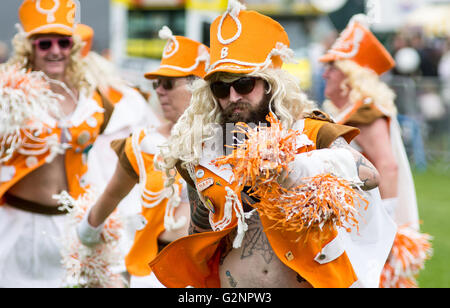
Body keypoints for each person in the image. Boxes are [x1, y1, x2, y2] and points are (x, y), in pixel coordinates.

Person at [148, 0, 396, 288]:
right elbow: (200, 229)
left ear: (269, 84)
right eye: (220, 87)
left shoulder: (309, 132)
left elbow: (369, 174)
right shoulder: (201, 152)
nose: (232, 97)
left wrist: (295, 168)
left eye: (243, 84)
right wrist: (207, 208)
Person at [76, 27, 210, 288]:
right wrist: (86, 236)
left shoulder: (228, 143)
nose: (159, 91)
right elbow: (110, 196)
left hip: (209, 275)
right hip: (152, 275)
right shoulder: (143, 143)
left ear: (199, 87)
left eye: (168, 84)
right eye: (156, 84)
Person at [0, 0, 116, 287]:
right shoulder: (8, 97)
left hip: (68, 225)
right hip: (16, 222)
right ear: (30, 48)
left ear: (73, 48)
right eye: (44, 44)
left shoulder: (93, 99)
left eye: (63, 43)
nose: (55, 51)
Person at [320, 15, 432, 287]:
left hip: (366, 224)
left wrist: (384, 226)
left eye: (332, 67)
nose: (325, 73)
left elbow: (388, 166)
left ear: (349, 72)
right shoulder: (350, 110)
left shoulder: (365, 111)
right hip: (354, 220)